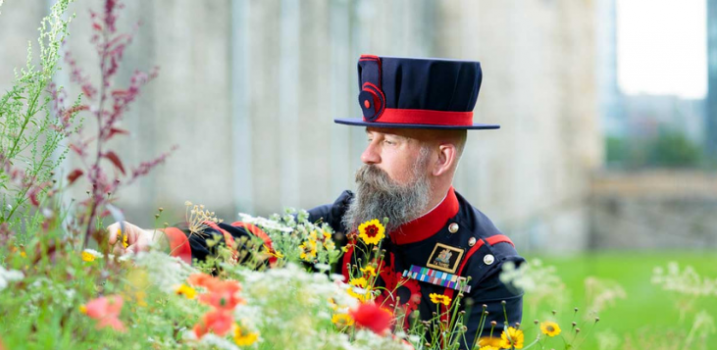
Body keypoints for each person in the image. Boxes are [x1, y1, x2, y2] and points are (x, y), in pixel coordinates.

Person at [108, 55, 524, 348]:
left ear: (441, 158)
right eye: (369, 138)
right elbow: (255, 239)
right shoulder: (345, 223)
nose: (368, 155)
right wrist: (153, 240)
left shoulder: (488, 267)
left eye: (390, 141)